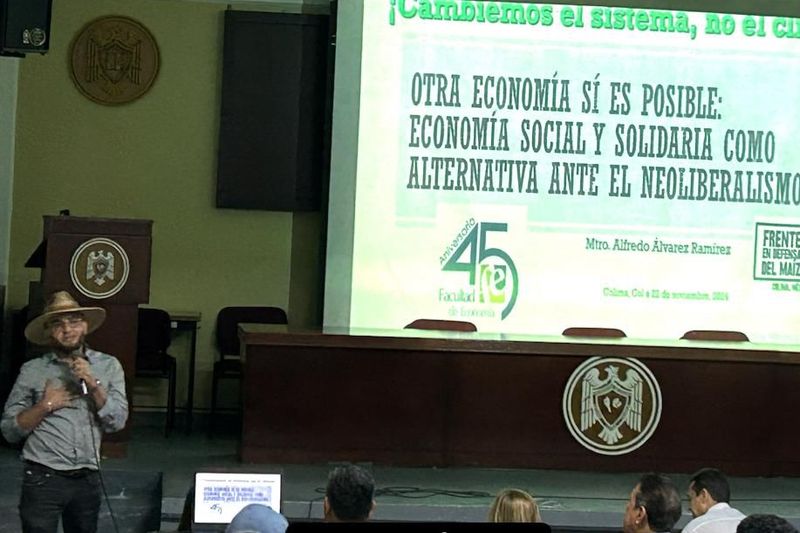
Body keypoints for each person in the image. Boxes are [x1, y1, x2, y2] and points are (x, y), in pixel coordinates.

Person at [1, 291, 128, 533]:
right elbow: (9, 430)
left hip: (88, 477)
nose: (67, 330)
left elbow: (118, 421)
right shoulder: (33, 370)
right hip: (43, 476)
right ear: (48, 332)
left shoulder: (108, 366)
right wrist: (45, 405)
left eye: (74, 321)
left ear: (85, 326)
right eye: (58, 323)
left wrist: (94, 385)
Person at [683, 468, 745, 533]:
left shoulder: (695, 528)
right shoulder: (750, 524)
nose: (689, 507)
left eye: (690, 499)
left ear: (703, 495)